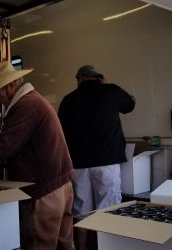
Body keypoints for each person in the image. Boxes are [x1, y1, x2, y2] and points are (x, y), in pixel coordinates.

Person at [0, 60, 75, 250]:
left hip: (45, 191)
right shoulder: (34, 101)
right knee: (64, 244)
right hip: (60, 184)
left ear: (12, 85)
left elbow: (3, 148)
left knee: (39, 245)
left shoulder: (26, 106)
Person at [58, 65, 136, 249]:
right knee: (108, 209)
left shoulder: (68, 100)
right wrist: (107, 85)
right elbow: (130, 104)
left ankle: (82, 247)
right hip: (107, 162)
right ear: (98, 78)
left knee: (81, 210)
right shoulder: (111, 91)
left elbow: (61, 130)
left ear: (79, 79)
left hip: (78, 164)